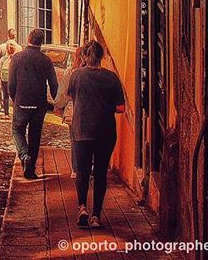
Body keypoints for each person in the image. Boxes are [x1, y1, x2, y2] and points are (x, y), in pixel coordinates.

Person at [67, 39, 125, 229]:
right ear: (102, 56)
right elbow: (121, 108)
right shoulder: (112, 77)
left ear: (84, 57)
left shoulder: (76, 76)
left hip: (82, 129)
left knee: (82, 170)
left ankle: (82, 207)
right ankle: (96, 216)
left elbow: (70, 96)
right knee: (100, 172)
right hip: (105, 131)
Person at [8, 28, 58, 180]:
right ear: (41, 42)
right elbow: (54, 85)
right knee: (35, 136)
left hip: (22, 102)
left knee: (17, 130)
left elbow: (11, 84)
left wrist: (15, 99)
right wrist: (57, 103)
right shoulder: (46, 60)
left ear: (28, 38)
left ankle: (24, 155)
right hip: (39, 105)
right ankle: (30, 170)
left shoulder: (17, 58)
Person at [54, 45, 85, 178]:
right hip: (90, 111)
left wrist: (59, 106)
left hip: (73, 110)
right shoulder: (95, 73)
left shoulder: (70, 72)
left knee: (74, 140)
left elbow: (62, 92)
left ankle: (76, 169)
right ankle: (89, 167)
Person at [0, 29, 23, 111]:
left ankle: (4, 107)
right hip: (15, 73)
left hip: (4, 72)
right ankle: (16, 108)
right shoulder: (19, 47)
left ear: (8, 36)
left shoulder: (2, 46)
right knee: (15, 91)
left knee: (4, 91)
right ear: (15, 36)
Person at [0, 40, 19, 116]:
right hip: (5, 80)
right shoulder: (4, 59)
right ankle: (8, 113)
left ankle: (12, 113)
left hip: (10, 80)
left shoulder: (15, 59)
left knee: (11, 97)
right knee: (8, 97)